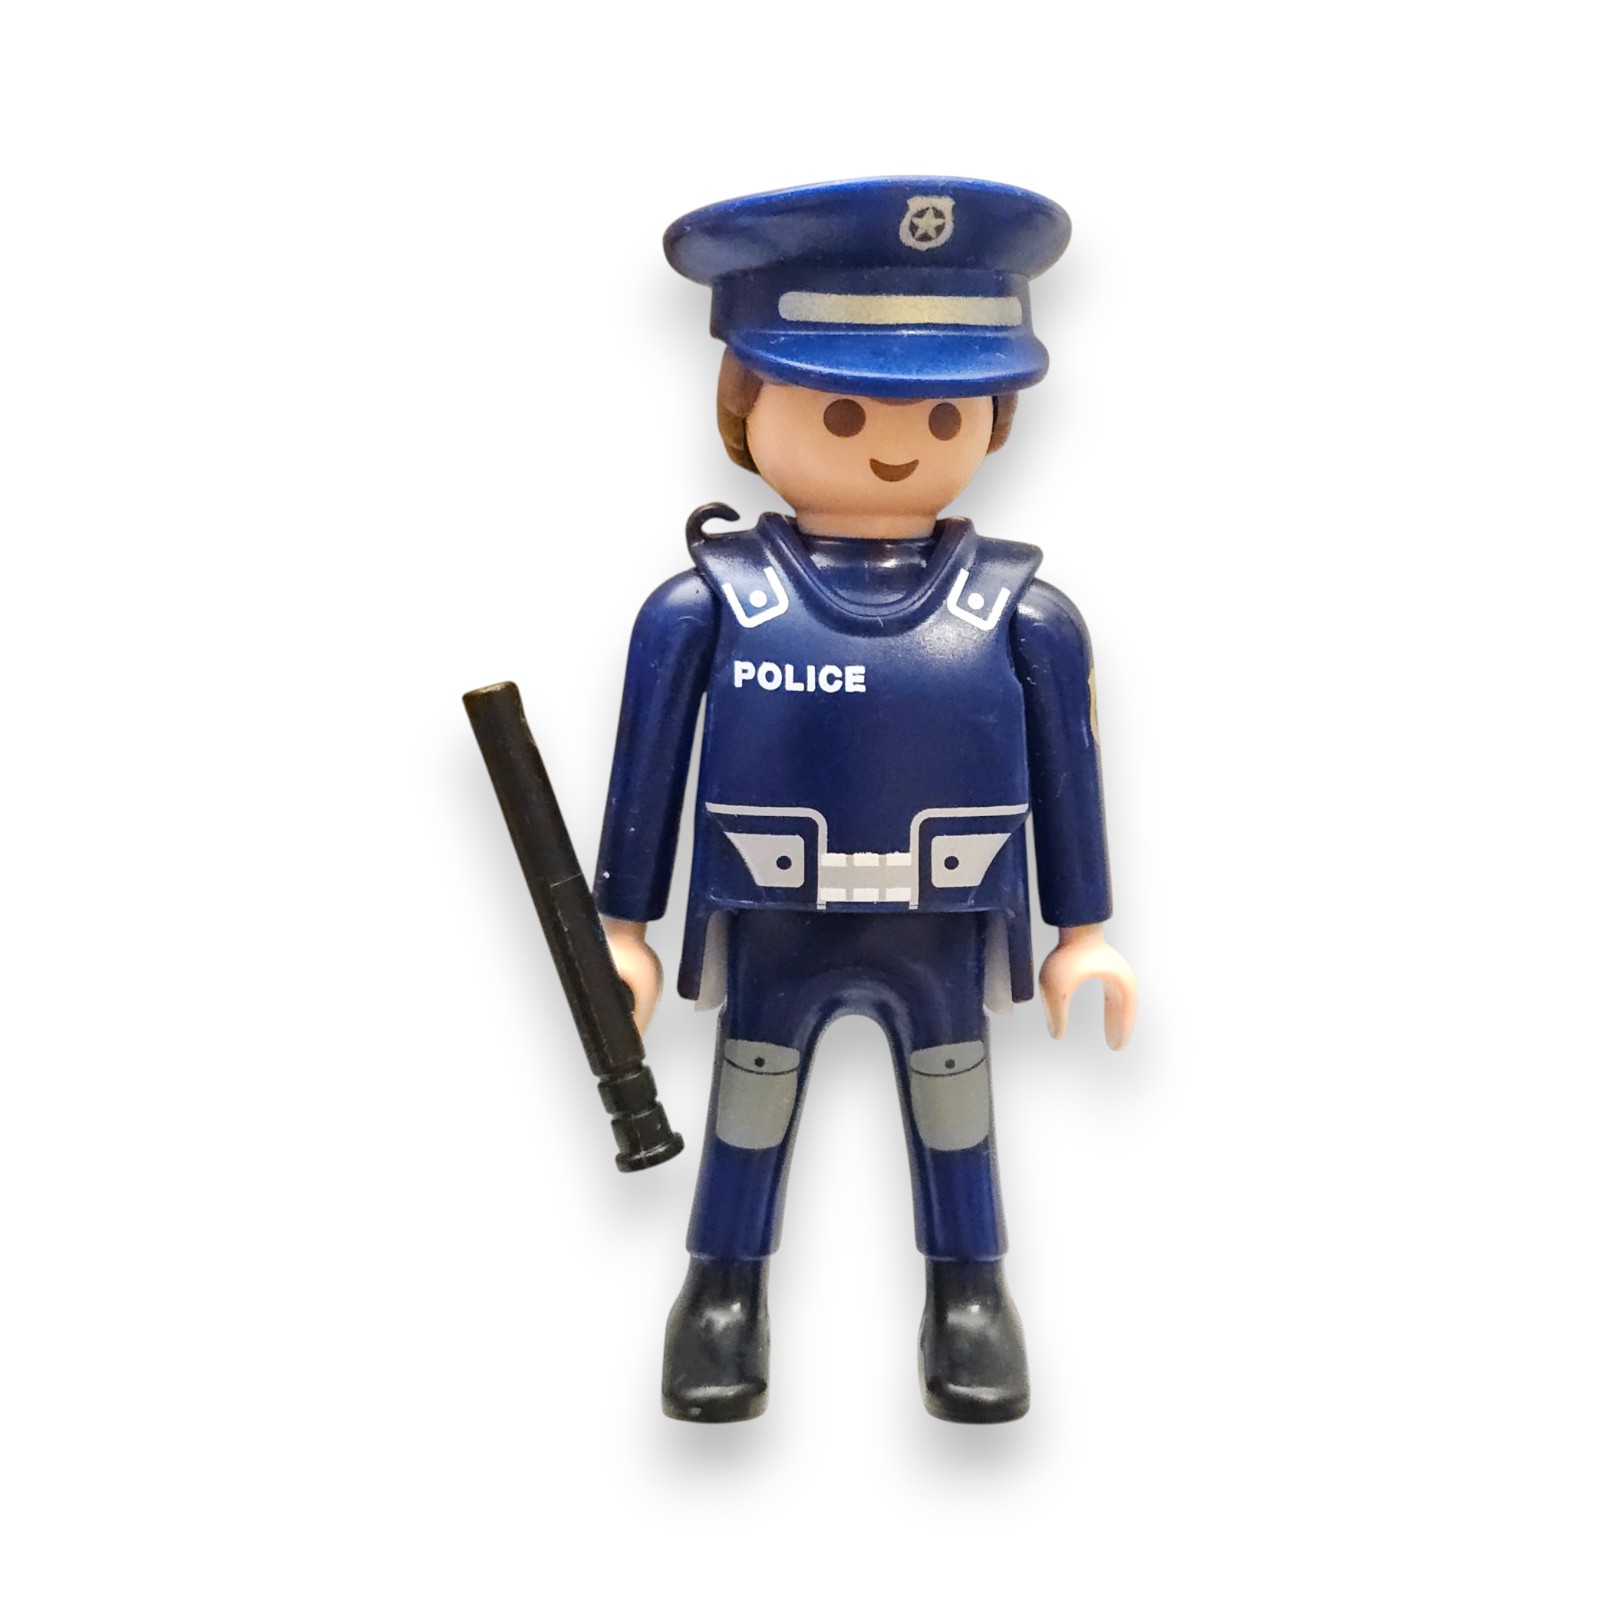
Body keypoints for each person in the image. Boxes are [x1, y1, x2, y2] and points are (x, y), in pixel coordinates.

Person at [594, 178, 1137, 1423]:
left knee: (954, 1101)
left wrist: (1084, 930)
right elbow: (647, 767)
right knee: (750, 1096)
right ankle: (721, 1289)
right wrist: (619, 930)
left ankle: (970, 1290)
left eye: (943, 411)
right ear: (747, 400)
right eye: (840, 408)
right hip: (774, 920)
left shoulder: (1020, 614)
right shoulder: (710, 604)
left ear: (991, 417)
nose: (893, 442)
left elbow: (1069, 772)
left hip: (938, 928)